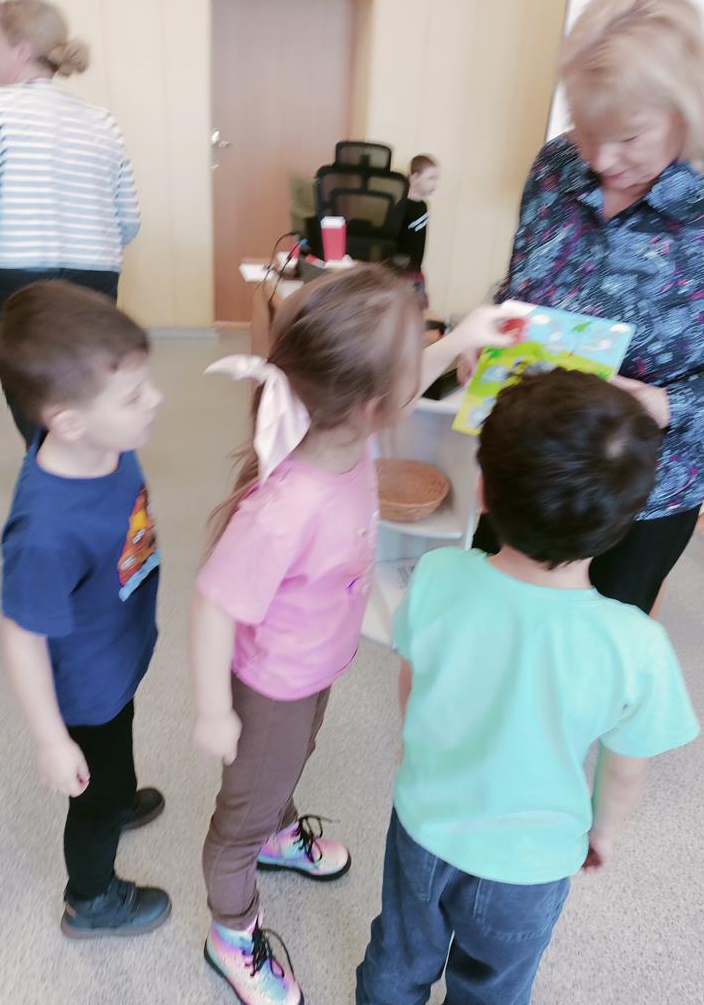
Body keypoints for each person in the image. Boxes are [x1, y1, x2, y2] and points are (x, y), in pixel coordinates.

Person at [189, 264, 521, 1005]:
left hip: (312, 664)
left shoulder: (342, 432)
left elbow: (402, 383)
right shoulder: (289, 504)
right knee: (240, 816)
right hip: (271, 681)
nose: (421, 366)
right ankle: (230, 931)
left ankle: (277, 828)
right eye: (415, 357)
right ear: (374, 405)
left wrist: (462, 338)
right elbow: (212, 603)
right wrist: (212, 708)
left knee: (290, 760)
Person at [356, 368, 700, 1005]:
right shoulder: (636, 643)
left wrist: (414, 746)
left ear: (482, 489)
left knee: (398, 955)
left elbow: (414, 675)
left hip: (424, 823)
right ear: (625, 523)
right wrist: (602, 833)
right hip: (531, 862)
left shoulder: (437, 574)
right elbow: (626, 768)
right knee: (495, 983)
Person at [458, 0, 704, 615]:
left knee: (595, 644)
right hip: (525, 458)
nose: (602, 159)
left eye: (629, 137)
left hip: (643, 486)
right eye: (587, 130)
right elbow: (521, 283)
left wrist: (668, 403)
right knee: (491, 621)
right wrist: (488, 338)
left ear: (687, 110)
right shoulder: (555, 166)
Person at [0, 281, 169, 938]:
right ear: (68, 420)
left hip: (115, 652)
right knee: (95, 795)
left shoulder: (104, 443)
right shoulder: (45, 531)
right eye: (133, 395)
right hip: (84, 689)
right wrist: (49, 738)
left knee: (117, 747)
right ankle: (90, 900)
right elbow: (21, 638)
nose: (156, 399)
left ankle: (116, 791)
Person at [0, 0, 140, 443]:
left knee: (37, 402)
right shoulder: (102, 121)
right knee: (89, 395)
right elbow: (128, 221)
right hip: (96, 275)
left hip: (19, 276)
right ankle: (95, 475)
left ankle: (49, 476)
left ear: (22, 49)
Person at [397, 153, 440, 307]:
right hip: (400, 271)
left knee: (420, 309)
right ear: (414, 178)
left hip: (416, 269)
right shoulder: (401, 205)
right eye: (431, 178)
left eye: (436, 179)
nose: (435, 183)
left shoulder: (423, 206)